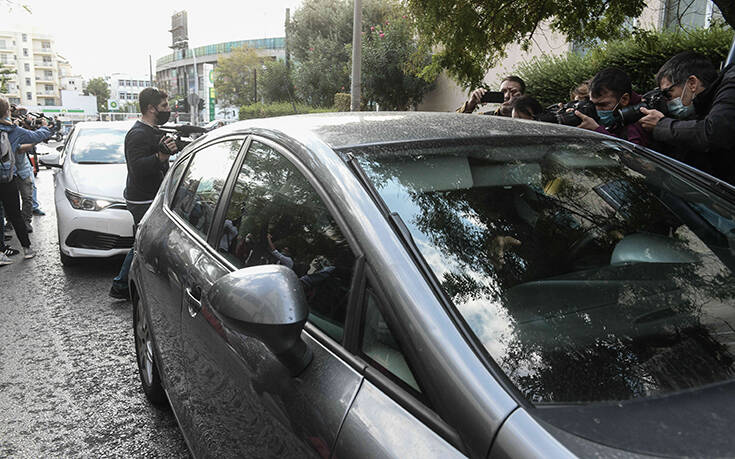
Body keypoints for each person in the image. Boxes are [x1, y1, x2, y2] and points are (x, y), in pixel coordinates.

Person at [109, 88, 177, 299]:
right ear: (151, 108)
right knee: (143, 241)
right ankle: (121, 285)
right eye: (164, 106)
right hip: (142, 199)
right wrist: (160, 156)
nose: (168, 109)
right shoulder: (138, 134)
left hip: (151, 195)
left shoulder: (153, 130)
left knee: (148, 239)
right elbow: (137, 168)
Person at [638, 51, 732, 182]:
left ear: (692, 83)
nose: (667, 102)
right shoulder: (703, 105)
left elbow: (714, 133)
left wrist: (661, 125)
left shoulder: (731, 87)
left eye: (668, 94)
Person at [0, 95, 52, 264]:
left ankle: (1, 251)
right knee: (15, 215)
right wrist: (45, 127)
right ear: (7, 112)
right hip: (7, 180)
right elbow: (36, 136)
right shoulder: (12, 130)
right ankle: (27, 249)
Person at [574, 68, 650, 147]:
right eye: (593, 104)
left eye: (603, 105)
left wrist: (597, 131)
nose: (597, 110)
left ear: (624, 99)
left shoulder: (643, 121)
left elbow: (630, 153)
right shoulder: (616, 118)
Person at [457, 75, 526, 117]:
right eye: (503, 91)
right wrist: (470, 104)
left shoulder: (529, 119)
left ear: (522, 96)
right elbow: (455, 124)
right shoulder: (485, 118)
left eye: (513, 92)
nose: (506, 96)